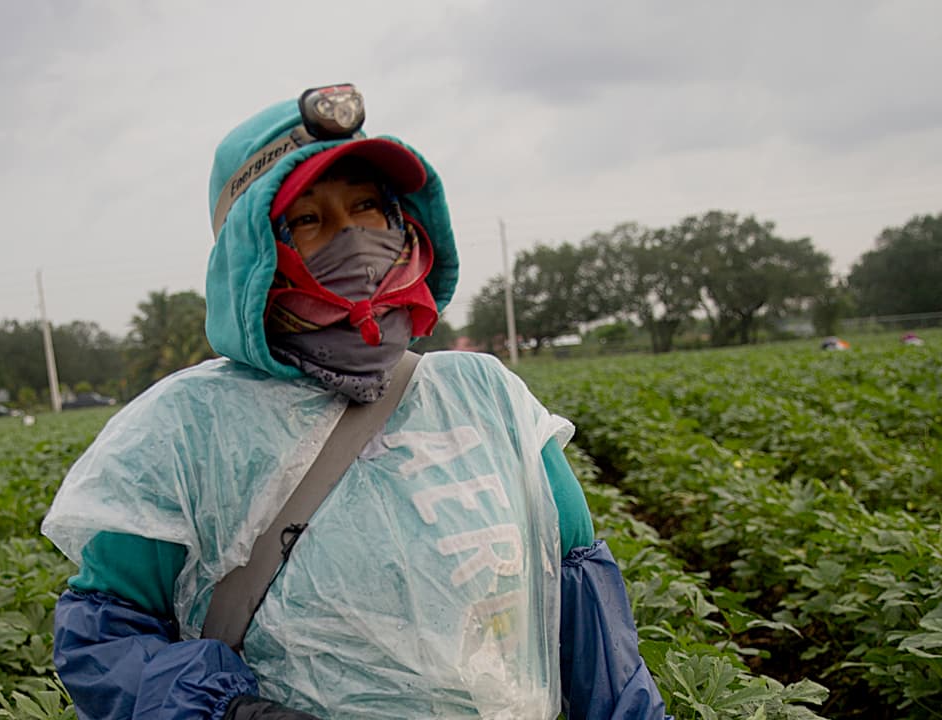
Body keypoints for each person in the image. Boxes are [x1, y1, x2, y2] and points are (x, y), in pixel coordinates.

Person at [42, 84, 669, 720]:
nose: (352, 239)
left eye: (367, 207)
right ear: (253, 253)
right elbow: (104, 638)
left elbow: (594, 629)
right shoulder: (188, 430)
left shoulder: (488, 397)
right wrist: (229, 712)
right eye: (309, 220)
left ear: (404, 224)